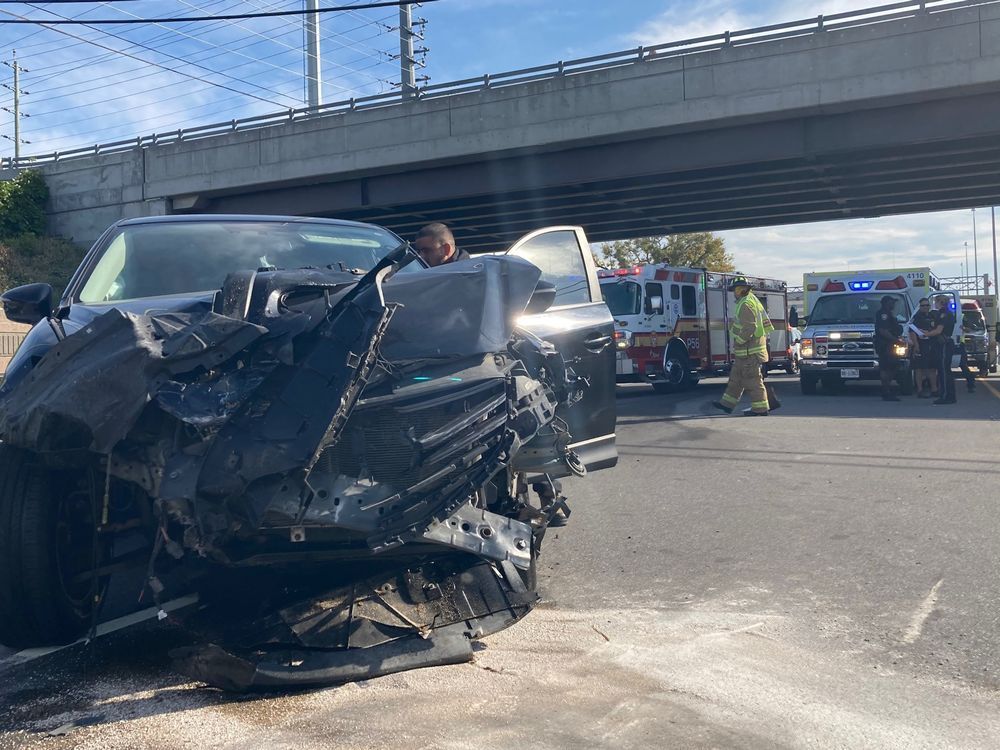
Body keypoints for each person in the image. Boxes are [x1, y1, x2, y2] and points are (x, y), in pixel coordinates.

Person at [712, 276, 780, 416]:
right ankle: (727, 404)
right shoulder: (749, 300)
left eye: (738, 289)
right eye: (735, 289)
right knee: (736, 378)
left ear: (744, 290)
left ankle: (760, 409)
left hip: (750, 351)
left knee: (752, 380)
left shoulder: (746, 304)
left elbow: (749, 327)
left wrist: (740, 341)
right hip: (745, 352)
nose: (735, 292)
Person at [924, 295, 958, 405]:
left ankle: (945, 396)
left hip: (944, 344)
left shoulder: (944, 314)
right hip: (945, 344)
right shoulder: (946, 313)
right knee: (946, 371)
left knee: (943, 372)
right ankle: (950, 396)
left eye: (936, 302)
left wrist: (926, 334)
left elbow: (939, 331)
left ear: (941, 302)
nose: (934, 304)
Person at [874, 295, 903, 401]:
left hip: (889, 344)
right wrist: (895, 340)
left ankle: (887, 390)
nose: (894, 304)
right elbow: (883, 330)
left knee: (893, 366)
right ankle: (885, 391)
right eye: (892, 302)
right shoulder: (883, 314)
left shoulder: (889, 314)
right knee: (886, 368)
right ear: (886, 303)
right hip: (885, 345)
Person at [909, 298, 937, 398]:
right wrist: (916, 345)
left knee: (932, 368)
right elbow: (912, 331)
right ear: (920, 307)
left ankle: (934, 389)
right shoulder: (916, 317)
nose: (925, 307)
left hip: (931, 345)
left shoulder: (933, 316)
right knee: (919, 368)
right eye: (923, 305)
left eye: (927, 305)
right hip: (920, 345)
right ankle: (920, 390)